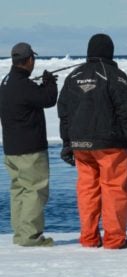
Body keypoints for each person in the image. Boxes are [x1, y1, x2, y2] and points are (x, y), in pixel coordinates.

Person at [57, 33, 127, 249]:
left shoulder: (73, 76)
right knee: (114, 189)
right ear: (109, 52)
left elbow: (64, 113)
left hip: (81, 145)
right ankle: (114, 239)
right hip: (110, 144)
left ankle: (89, 238)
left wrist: (67, 143)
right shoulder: (115, 75)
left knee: (87, 190)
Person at [0, 42, 57, 247]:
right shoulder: (23, 85)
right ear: (29, 60)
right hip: (30, 149)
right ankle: (31, 237)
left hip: (12, 150)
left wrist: (42, 84)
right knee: (35, 190)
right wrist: (50, 83)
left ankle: (21, 233)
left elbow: (32, 97)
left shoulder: (7, 82)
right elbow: (49, 99)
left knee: (19, 190)